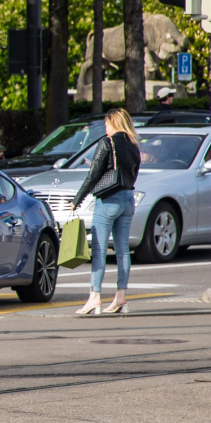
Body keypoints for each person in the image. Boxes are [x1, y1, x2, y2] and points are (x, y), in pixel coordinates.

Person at [72, 107, 142, 317]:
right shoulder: (133, 145)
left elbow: (94, 175)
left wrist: (76, 200)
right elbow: (132, 173)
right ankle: (120, 296)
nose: (106, 128)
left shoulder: (106, 142)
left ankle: (95, 297)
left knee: (100, 250)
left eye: (106, 124)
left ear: (113, 122)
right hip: (128, 199)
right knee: (122, 251)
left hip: (108, 201)